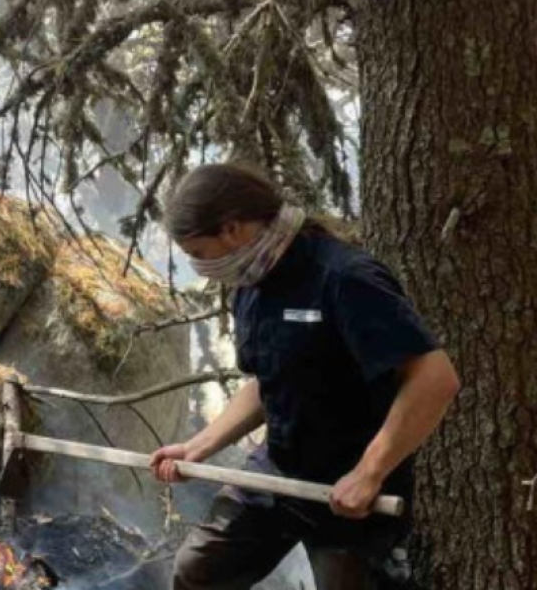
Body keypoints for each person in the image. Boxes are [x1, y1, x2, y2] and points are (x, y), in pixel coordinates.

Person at [150, 163, 460, 590]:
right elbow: (268, 381)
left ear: (232, 229)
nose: (200, 267)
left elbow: (435, 378)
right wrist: (198, 446)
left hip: (350, 490)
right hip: (276, 470)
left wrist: (369, 472)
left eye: (199, 253)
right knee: (198, 571)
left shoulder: (344, 278)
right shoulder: (250, 283)